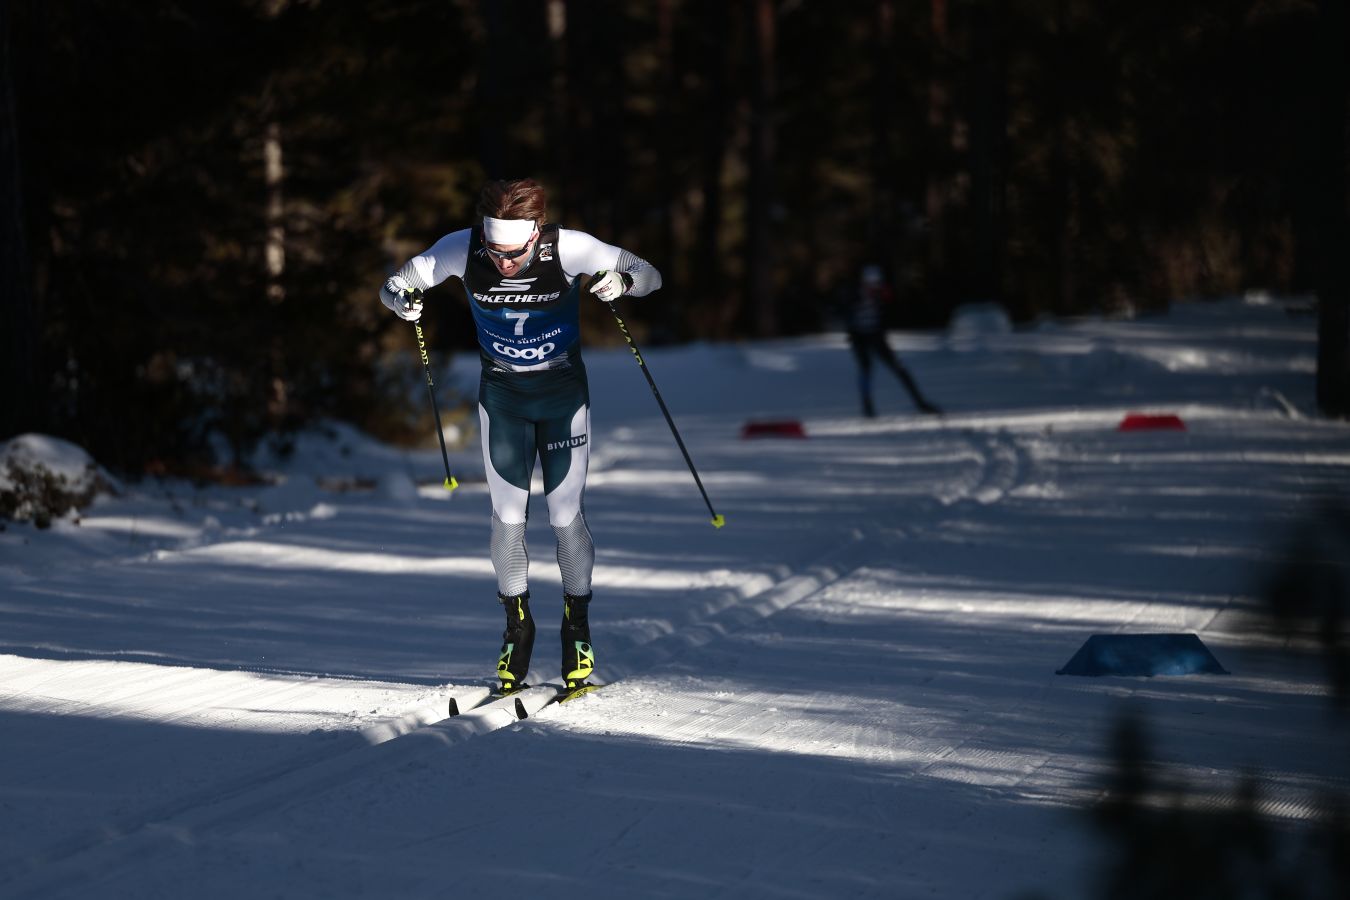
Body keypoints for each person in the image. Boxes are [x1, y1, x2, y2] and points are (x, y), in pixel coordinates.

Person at [379, 178, 662, 694]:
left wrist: (623, 285)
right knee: (508, 517)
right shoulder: (459, 249)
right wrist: (401, 302)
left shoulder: (572, 247)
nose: (504, 262)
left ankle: (576, 625)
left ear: (536, 233)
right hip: (503, 399)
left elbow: (649, 274)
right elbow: (395, 284)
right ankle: (517, 625)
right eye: (495, 251)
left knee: (563, 514)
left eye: (516, 252)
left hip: (562, 397)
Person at [844, 264, 941, 418]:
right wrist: (852, 331)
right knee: (865, 370)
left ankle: (920, 403)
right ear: (864, 282)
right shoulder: (854, 294)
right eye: (871, 284)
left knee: (899, 368)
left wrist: (885, 300)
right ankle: (867, 408)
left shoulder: (880, 294)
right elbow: (846, 311)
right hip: (860, 338)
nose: (874, 287)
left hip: (876, 336)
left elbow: (890, 309)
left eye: (876, 284)